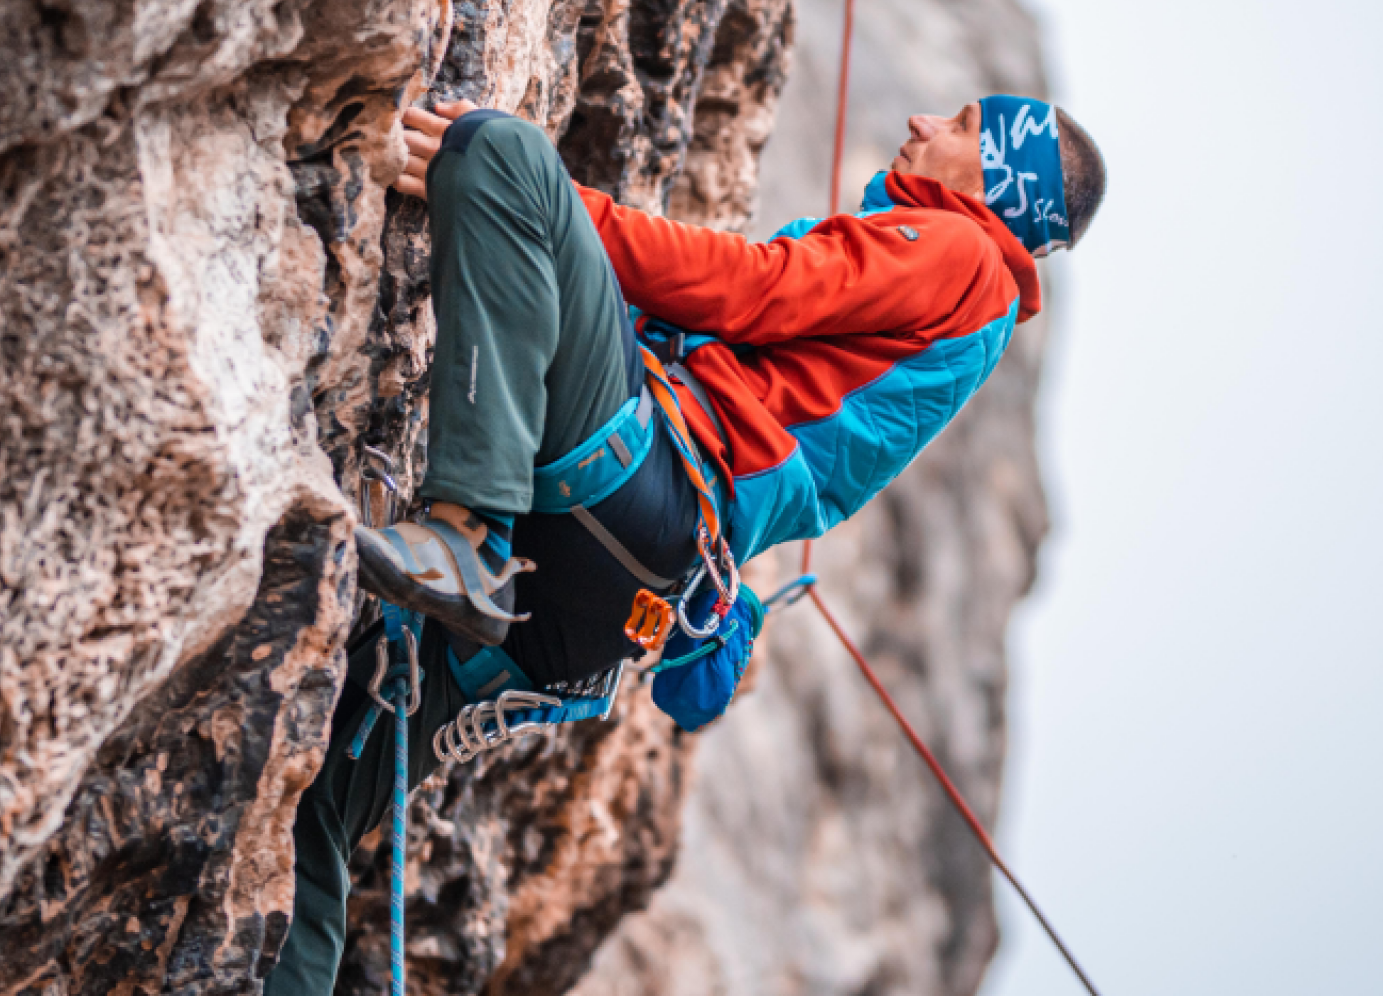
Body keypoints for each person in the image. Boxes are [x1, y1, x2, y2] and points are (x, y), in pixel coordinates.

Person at [265, 94, 1106, 994]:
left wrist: (548, 207)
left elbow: (757, 286)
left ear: (1007, 180)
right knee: (311, 796)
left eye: (967, 126)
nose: (924, 124)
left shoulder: (961, 252)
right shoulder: (964, 326)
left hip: (640, 480)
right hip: (603, 607)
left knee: (501, 150)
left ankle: (471, 531)